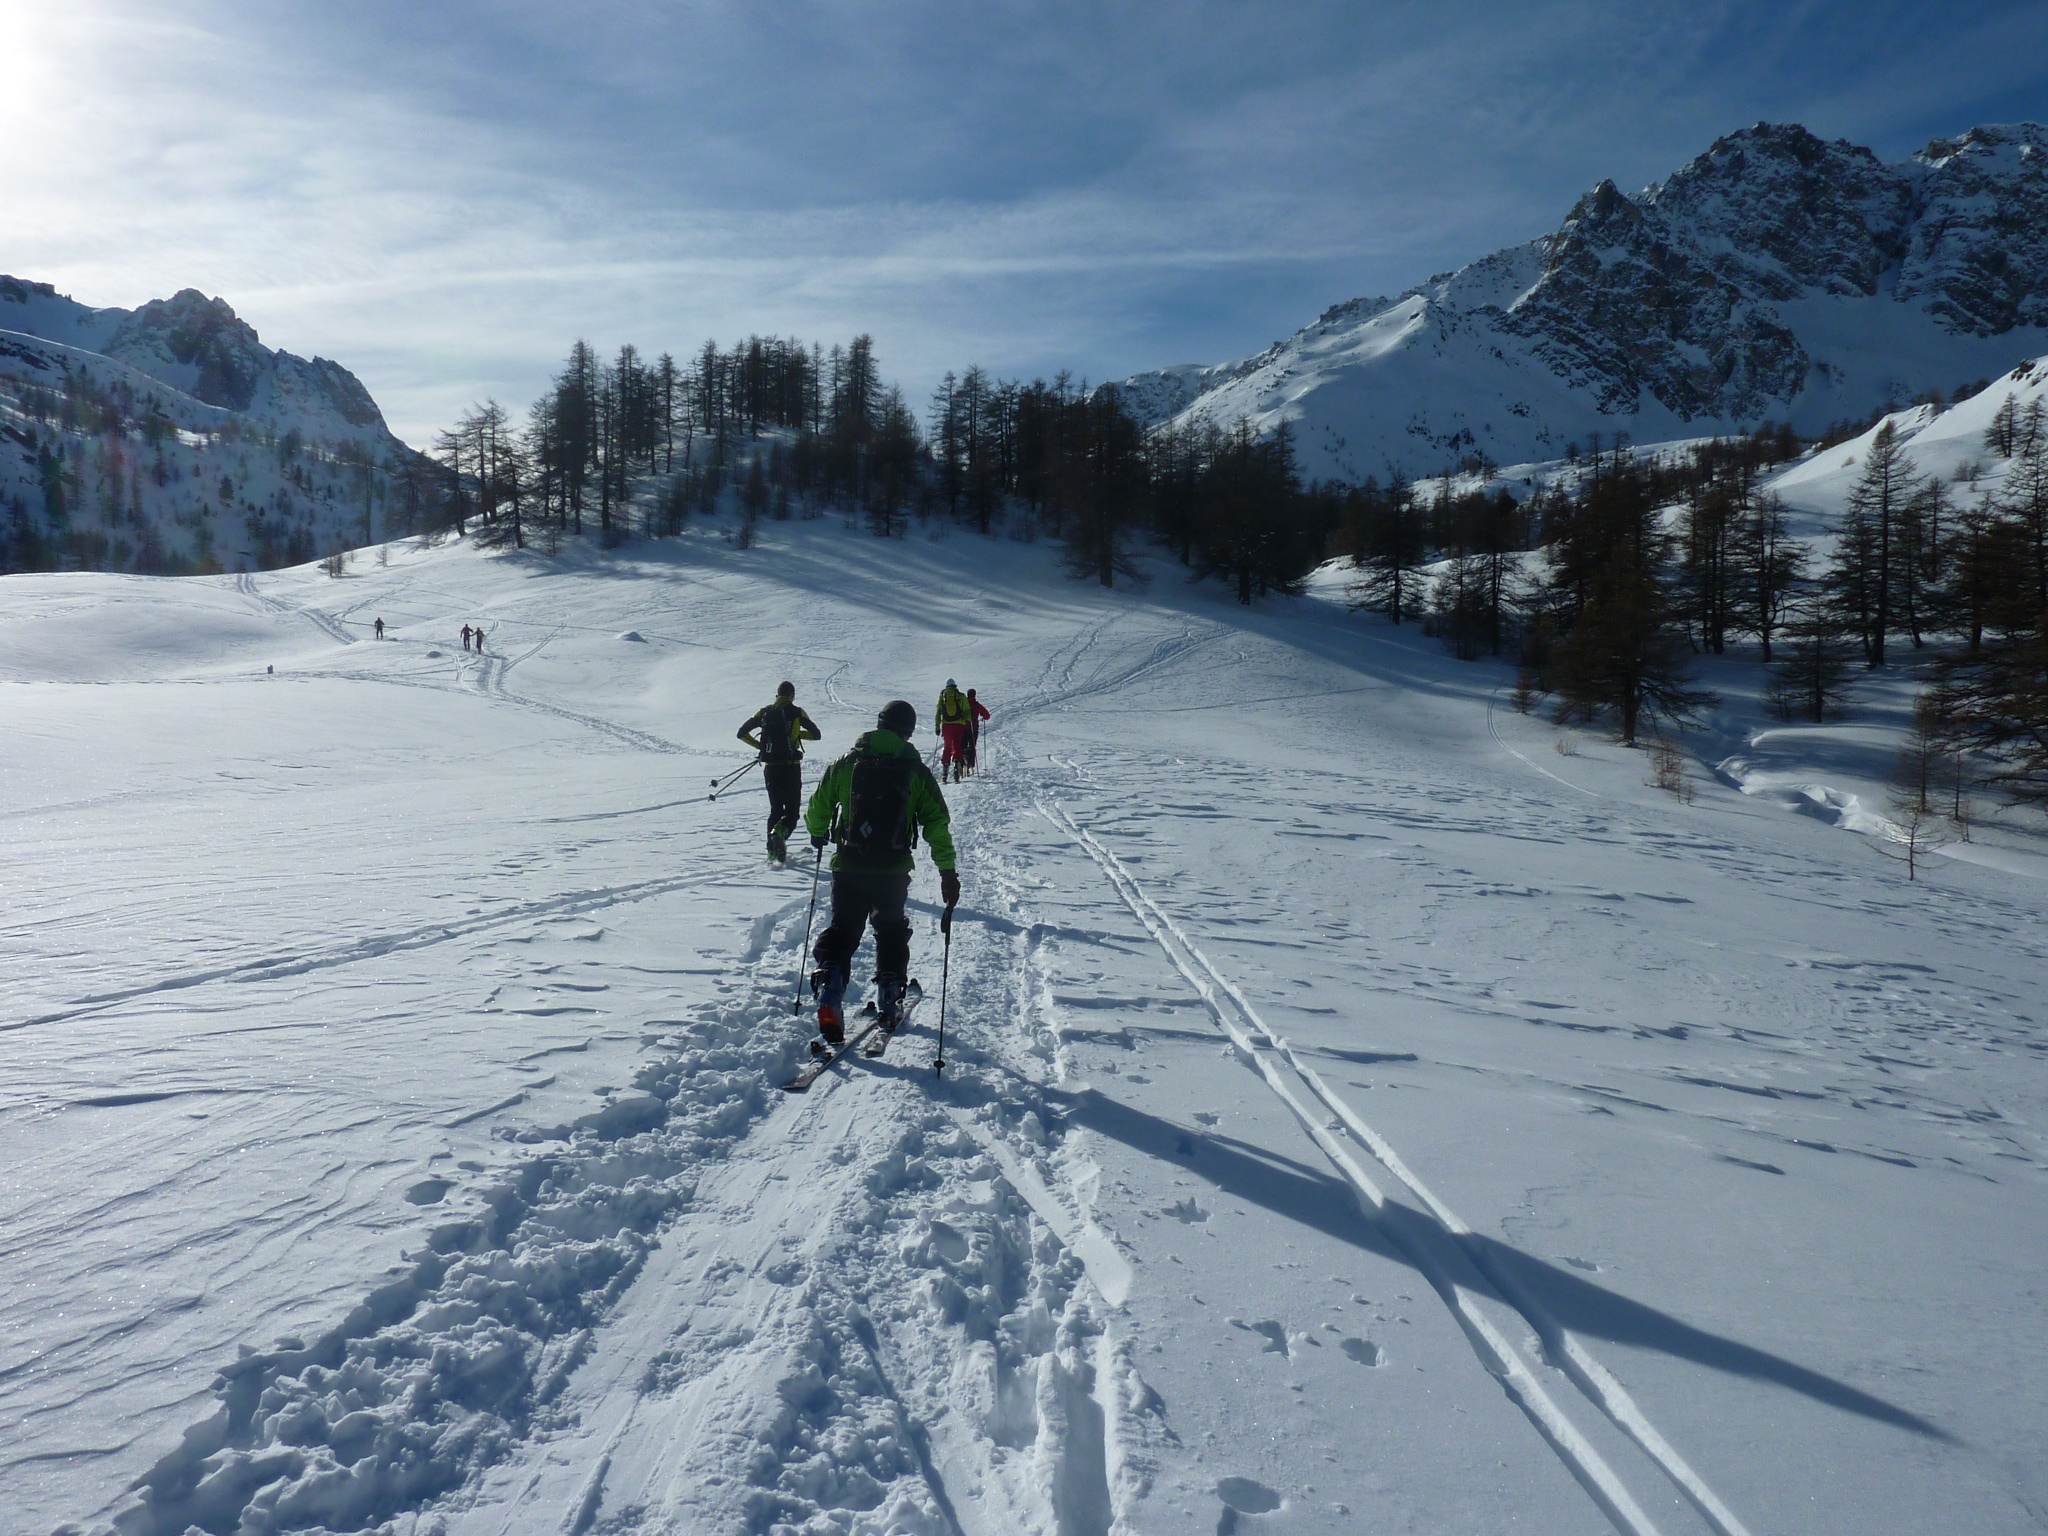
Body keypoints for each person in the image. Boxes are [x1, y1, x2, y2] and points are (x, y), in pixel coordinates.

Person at [803, 699, 960, 1044]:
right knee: (889, 929)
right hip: (891, 870)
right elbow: (936, 822)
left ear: (879, 725)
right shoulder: (914, 771)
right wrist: (947, 872)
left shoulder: (848, 762)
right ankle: (890, 996)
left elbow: (819, 805)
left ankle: (829, 989)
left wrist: (817, 832)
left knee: (843, 929)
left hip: (849, 866)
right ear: (907, 732)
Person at [737, 681, 822, 863]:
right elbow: (816, 734)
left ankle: (772, 852)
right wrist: (798, 734)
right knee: (792, 812)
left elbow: (742, 733)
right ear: (792, 696)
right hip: (791, 767)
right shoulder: (797, 711)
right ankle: (780, 833)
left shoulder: (765, 712)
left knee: (775, 809)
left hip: (771, 768)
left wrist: (761, 746)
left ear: (777, 695)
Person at [935, 678, 972, 782]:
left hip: (946, 725)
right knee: (957, 745)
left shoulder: (942, 697)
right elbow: (967, 710)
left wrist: (937, 726)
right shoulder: (960, 696)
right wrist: (968, 719)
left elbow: (938, 712)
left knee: (947, 746)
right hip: (959, 725)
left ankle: (944, 772)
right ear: (955, 685)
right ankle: (956, 769)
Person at [962, 687, 991, 774]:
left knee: (963, 746)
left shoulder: (963, 704)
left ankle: (962, 763)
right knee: (972, 747)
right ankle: (971, 765)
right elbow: (987, 716)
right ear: (974, 695)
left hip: (963, 729)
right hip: (973, 729)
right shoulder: (977, 705)